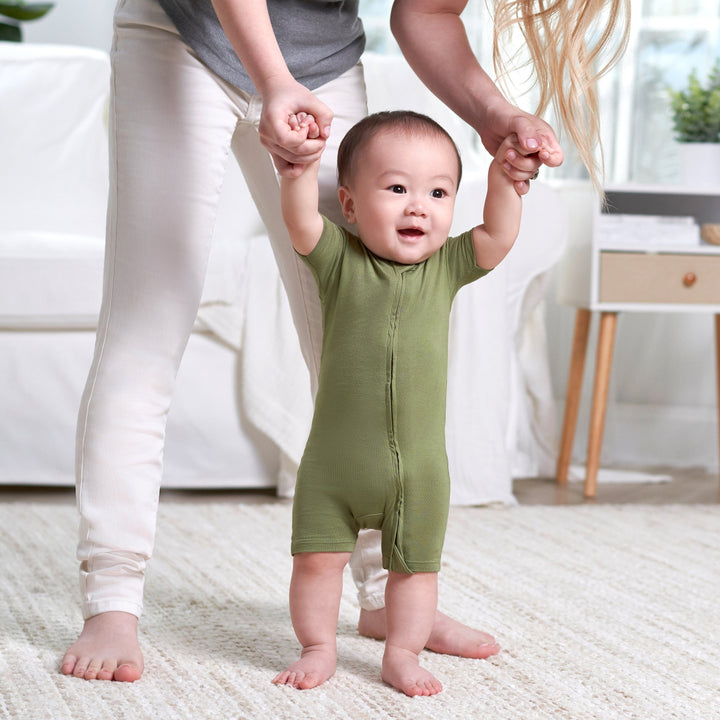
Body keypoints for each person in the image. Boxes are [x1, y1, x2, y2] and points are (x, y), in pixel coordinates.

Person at [60, 0, 627, 683]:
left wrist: (493, 114)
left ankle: (389, 596)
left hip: (321, 59)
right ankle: (112, 602)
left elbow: (427, 12)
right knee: (146, 330)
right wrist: (273, 82)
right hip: (185, 34)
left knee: (354, 326)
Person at [272, 110, 527, 696]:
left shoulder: (448, 266)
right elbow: (300, 220)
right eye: (396, 189)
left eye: (438, 193)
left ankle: (403, 653)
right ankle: (317, 646)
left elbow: (497, 235)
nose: (419, 208)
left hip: (419, 471)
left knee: (415, 569)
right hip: (333, 469)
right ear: (350, 204)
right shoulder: (338, 259)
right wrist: (297, 171)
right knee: (315, 562)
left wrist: (504, 179)